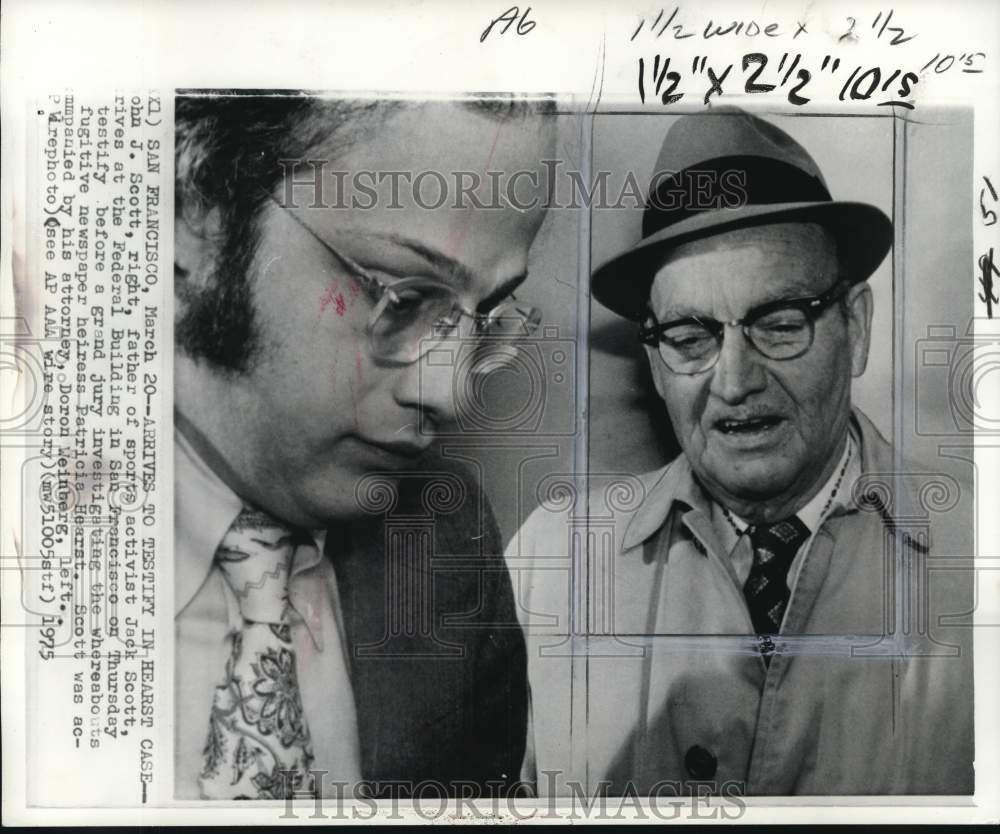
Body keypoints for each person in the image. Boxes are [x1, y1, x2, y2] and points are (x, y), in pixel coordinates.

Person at [509, 108, 974, 796]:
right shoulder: (545, 567)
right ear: (655, 363)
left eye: (779, 324)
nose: (734, 381)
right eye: (690, 338)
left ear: (856, 326)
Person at [173, 93, 557, 799]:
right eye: (402, 299)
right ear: (198, 213)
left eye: (487, 315)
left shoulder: (448, 533)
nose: (449, 393)